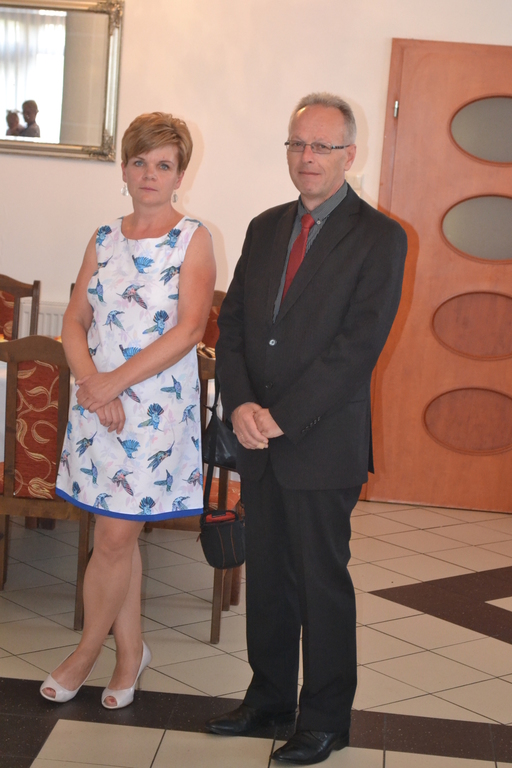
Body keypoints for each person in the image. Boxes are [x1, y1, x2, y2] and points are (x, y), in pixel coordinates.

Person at [207, 93, 407, 765]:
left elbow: (357, 348)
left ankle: (325, 720)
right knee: (268, 578)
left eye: (322, 146)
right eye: (297, 144)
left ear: (350, 154)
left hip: (321, 445)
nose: (307, 157)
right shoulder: (265, 227)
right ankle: (268, 701)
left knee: (321, 584)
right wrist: (240, 404)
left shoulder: (380, 237)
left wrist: (281, 417)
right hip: (256, 441)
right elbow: (234, 324)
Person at [41, 111, 216, 709]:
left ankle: (84, 654)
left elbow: (190, 329)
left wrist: (113, 383)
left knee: (114, 536)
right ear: (123, 169)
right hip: (99, 404)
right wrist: (93, 384)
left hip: (154, 411)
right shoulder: (103, 237)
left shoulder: (193, 238)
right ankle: (130, 654)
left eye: (163, 164)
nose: (149, 174)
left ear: (180, 175)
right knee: (119, 530)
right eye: (139, 161)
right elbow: (74, 319)